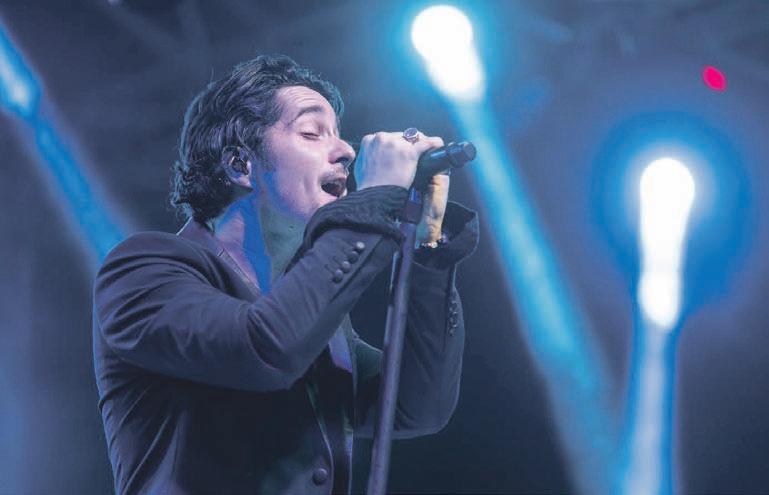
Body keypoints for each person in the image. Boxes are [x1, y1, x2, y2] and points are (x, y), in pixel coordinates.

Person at [92, 54, 478, 495]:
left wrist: (427, 246)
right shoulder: (143, 270)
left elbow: (416, 406)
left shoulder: (317, 320)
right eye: (312, 132)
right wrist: (375, 198)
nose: (347, 151)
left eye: (339, 133)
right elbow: (263, 348)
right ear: (240, 165)